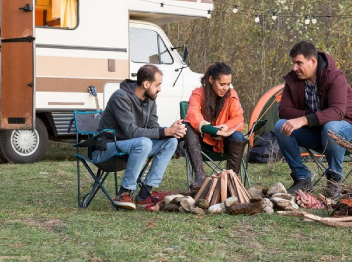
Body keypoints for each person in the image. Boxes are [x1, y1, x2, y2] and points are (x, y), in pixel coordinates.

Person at [274, 41, 352, 199]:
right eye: (293, 63)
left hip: (349, 129)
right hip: (318, 132)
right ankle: (302, 178)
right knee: (281, 126)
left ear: (313, 61)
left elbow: (337, 112)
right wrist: (312, 117)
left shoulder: (334, 76)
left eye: (299, 63)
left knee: (331, 127)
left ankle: (334, 180)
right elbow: (283, 110)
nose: (294, 68)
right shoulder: (293, 79)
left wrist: (304, 119)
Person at [94, 64, 186, 210]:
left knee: (170, 141)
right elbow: (131, 132)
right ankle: (124, 193)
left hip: (131, 149)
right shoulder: (120, 97)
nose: (160, 89)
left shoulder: (150, 99)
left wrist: (172, 131)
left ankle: (145, 194)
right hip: (105, 150)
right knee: (144, 143)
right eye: (158, 84)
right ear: (146, 84)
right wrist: (166, 131)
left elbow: (153, 127)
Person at [183, 62, 245, 194]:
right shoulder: (198, 93)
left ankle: (231, 180)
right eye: (222, 84)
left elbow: (238, 118)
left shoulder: (232, 95)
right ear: (211, 80)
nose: (226, 88)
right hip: (203, 142)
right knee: (187, 126)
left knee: (238, 136)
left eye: (228, 84)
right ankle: (200, 177)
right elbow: (192, 114)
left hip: (224, 142)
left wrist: (225, 127)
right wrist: (213, 130)